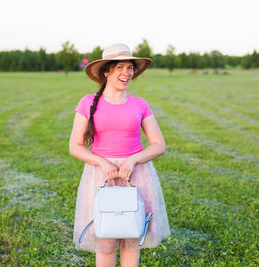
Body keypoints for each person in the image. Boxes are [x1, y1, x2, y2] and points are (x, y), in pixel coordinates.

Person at [69, 43, 170, 267]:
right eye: (119, 67)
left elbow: (159, 145)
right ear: (106, 71)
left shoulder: (139, 104)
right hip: (101, 177)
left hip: (135, 176)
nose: (126, 73)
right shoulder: (87, 103)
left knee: (131, 240)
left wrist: (133, 159)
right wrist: (102, 162)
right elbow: (75, 146)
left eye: (130, 68)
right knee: (105, 242)